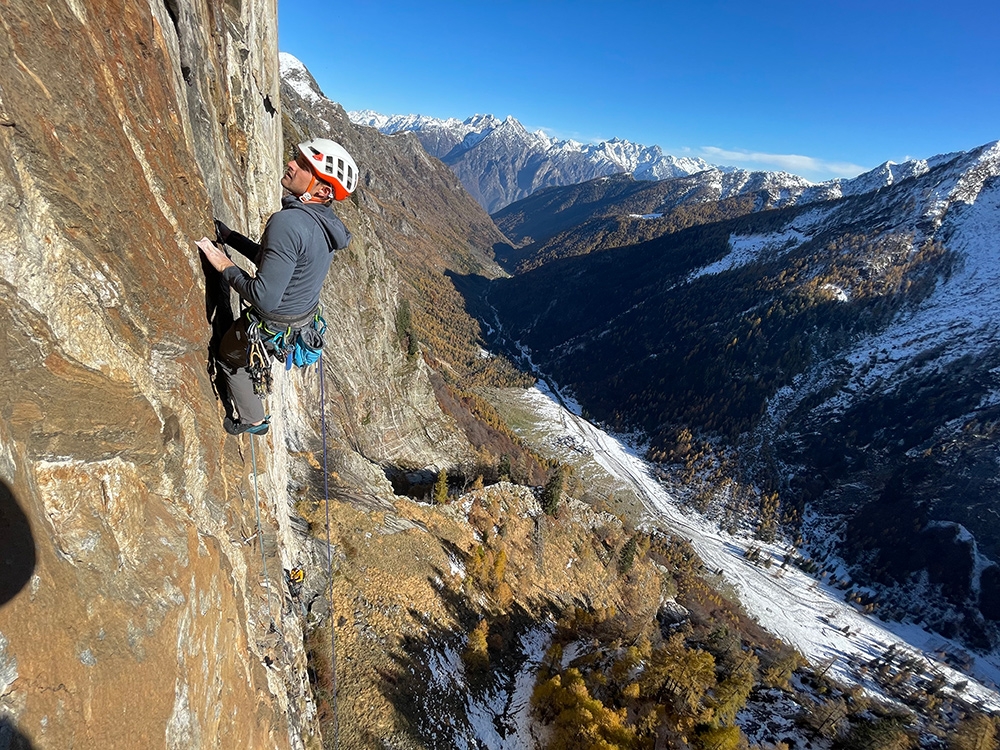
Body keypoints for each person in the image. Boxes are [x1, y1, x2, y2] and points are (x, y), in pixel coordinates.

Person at [196, 138, 358, 435]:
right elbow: (275, 261)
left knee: (230, 356)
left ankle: (253, 421)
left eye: (304, 165)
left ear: (322, 190)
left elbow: (264, 298)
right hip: (299, 320)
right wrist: (232, 239)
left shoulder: (290, 223)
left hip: (273, 321)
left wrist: (224, 265)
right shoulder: (324, 224)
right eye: (296, 157)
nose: (291, 164)